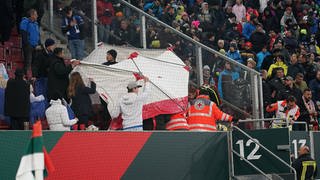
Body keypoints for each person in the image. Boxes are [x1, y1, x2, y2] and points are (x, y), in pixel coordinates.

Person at [20, 9, 40, 74]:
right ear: (32, 15)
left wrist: (39, 44)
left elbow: (38, 35)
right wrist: (27, 44)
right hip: (28, 46)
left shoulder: (36, 24)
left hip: (36, 46)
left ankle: (33, 78)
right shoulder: (25, 22)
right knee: (28, 62)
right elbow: (23, 34)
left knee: (34, 64)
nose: (37, 16)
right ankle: (26, 77)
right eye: (36, 14)